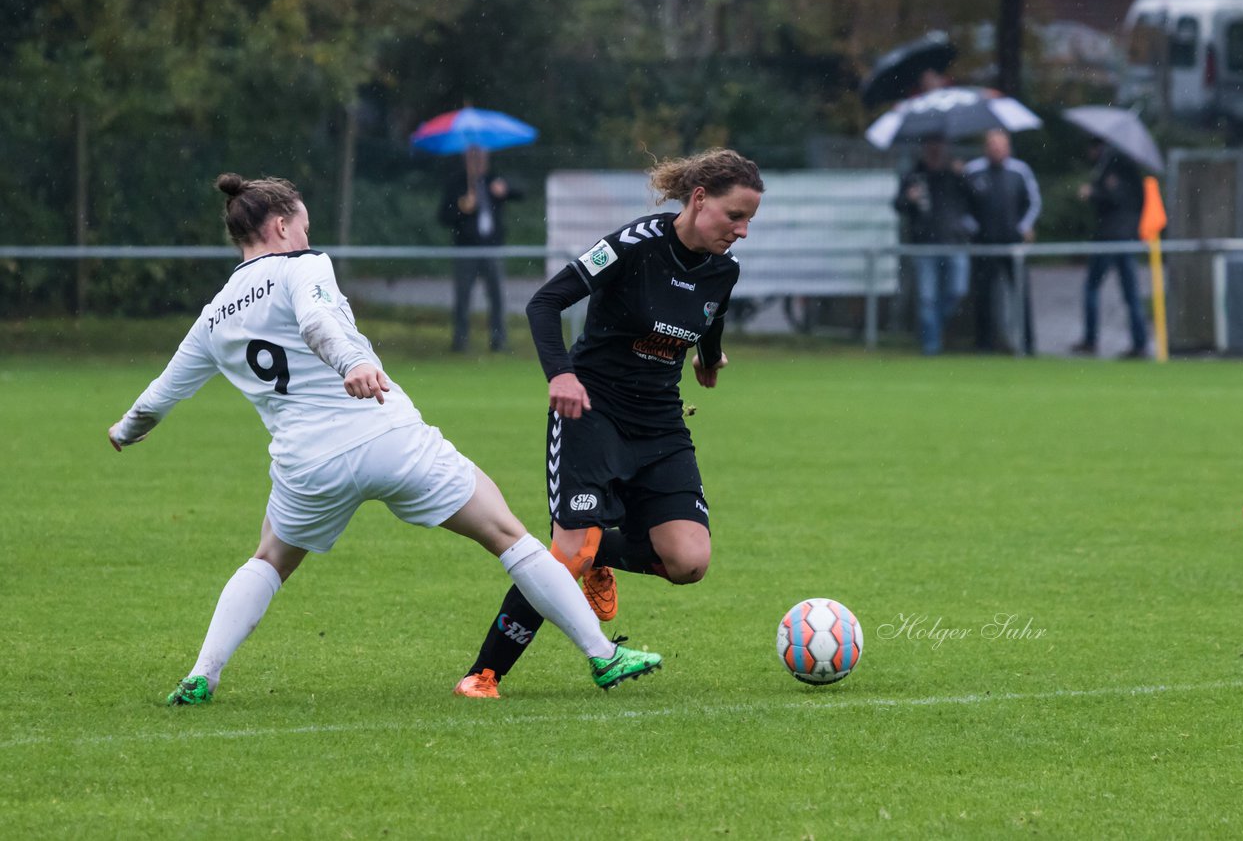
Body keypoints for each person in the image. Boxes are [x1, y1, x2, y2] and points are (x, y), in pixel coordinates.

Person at [108, 173, 661, 706]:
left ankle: (202, 674)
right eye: (302, 226)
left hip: (308, 465)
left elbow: (159, 395)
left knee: (270, 559)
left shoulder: (214, 314)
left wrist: (124, 430)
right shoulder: (303, 265)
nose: (307, 237)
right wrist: (352, 362)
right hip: (384, 433)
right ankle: (602, 654)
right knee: (508, 536)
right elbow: (319, 320)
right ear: (279, 226)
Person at [453, 148, 765, 699]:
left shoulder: (724, 270)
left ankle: (597, 552)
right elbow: (544, 304)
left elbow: (707, 319)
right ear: (698, 200)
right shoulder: (635, 244)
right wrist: (561, 375)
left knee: (688, 562)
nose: (741, 231)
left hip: (661, 424)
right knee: (568, 552)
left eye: (749, 221)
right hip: (590, 411)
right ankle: (484, 675)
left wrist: (708, 358)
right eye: (734, 216)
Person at [893, 136, 976, 355]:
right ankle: (931, 346)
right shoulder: (913, 175)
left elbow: (977, 198)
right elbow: (897, 205)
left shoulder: (956, 173)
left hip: (954, 242)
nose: (935, 150)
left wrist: (964, 176)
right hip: (924, 245)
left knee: (957, 292)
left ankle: (935, 329)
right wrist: (908, 198)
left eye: (939, 145)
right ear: (924, 148)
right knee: (927, 299)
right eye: (931, 145)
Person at [438, 146, 522, 353]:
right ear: (466, 160)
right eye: (473, 158)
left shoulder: (494, 180)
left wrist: (505, 189)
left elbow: (520, 194)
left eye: (481, 158)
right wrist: (461, 208)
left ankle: (498, 340)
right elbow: (443, 217)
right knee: (463, 297)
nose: (477, 162)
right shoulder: (457, 183)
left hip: (492, 248)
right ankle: (460, 341)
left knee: (496, 296)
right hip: (466, 249)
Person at [1070, 139, 1149, 359]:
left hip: (1110, 237)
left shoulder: (1114, 168)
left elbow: (1116, 199)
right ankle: (1139, 342)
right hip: (1125, 236)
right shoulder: (1128, 169)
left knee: (1092, 287)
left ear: (1097, 148)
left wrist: (1092, 193)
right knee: (1131, 294)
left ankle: (1090, 340)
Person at [965, 129, 1042, 353]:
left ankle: (1028, 345)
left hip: (1013, 244)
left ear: (1007, 147)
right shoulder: (973, 171)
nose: (996, 149)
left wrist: (1023, 227)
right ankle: (984, 345)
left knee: (1021, 294)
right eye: (992, 144)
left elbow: (1034, 202)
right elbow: (963, 207)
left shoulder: (1020, 171)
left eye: (1001, 145)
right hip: (984, 244)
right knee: (983, 296)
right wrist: (975, 230)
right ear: (986, 147)